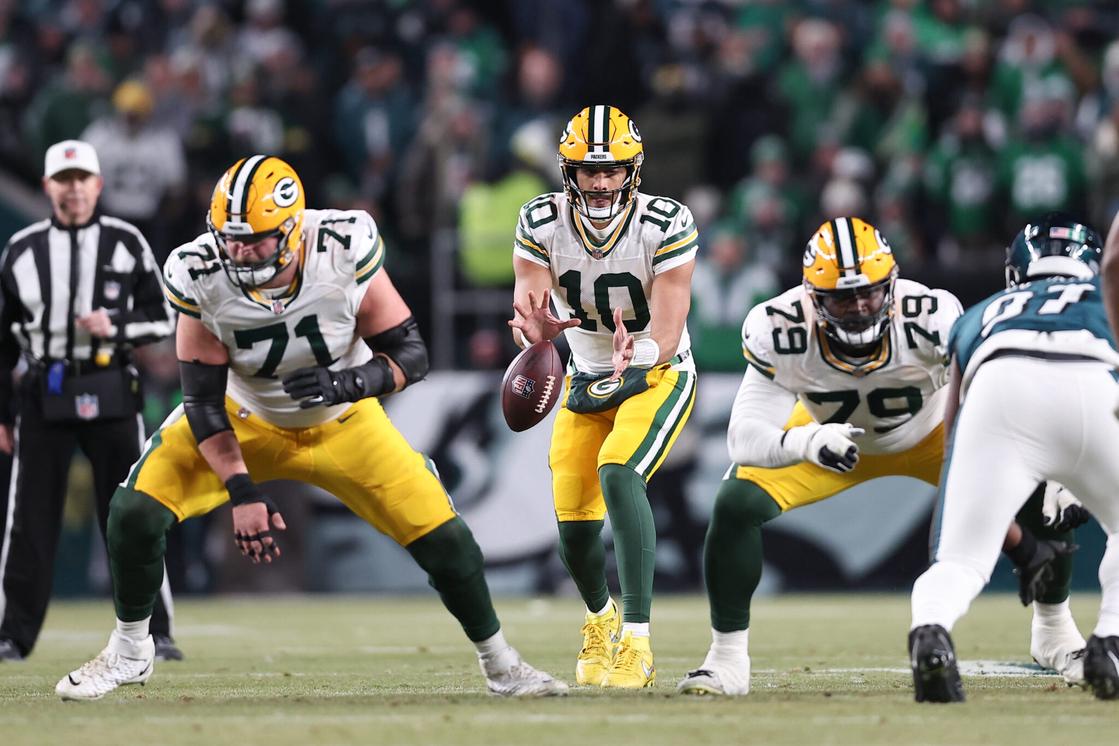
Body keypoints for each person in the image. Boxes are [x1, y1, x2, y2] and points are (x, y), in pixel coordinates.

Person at [55, 155, 566, 701]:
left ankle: (502, 665)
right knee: (133, 512)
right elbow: (201, 399)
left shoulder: (341, 249)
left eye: (255, 239)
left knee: (450, 541)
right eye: (230, 238)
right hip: (242, 415)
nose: (239, 251)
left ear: (294, 229)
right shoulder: (198, 273)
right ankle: (131, 650)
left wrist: (348, 383)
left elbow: (410, 354)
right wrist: (241, 492)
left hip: (343, 421)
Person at [674, 217, 1087, 696]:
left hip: (934, 433)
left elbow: (1003, 393)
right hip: (827, 438)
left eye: (869, 293)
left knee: (1046, 484)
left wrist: (1049, 462)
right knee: (735, 504)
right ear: (810, 296)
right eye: (842, 298)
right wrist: (807, 443)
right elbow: (744, 435)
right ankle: (726, 661)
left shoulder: (932, 316)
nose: (858, 308)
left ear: (891, 283)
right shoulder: (779, 327)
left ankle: (1055, 632)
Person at [509, 105, 698, 689]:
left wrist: (635, 355)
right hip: (585, 377)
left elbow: (665, 333)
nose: (600, 183)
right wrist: (533, 335)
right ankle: (600, 618)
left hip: (656, 373)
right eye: (588, 172)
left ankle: (637, 642)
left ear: (632, 170)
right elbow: (530, 312)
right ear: (567, 171)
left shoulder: (665, 223)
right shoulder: (541, 222)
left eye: (612, 170)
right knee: (572, 524)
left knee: (620, 472)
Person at [909, 214, 1119, 702]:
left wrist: (1011, 533)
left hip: (999, 388)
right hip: (1090, 379)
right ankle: (1109, 639)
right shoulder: (1104, 299)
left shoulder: (979, 310)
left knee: (959, 561)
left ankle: (931, 633)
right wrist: (1075, 478)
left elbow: (952, 430)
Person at [0, 140, 180, 663]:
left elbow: (164, 315)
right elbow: (3, 341)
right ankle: (13, 634)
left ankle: (156, 630)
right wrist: (2, 413)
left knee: (133, 512)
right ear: (48, 186)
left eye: (83, 179)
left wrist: (115, 325)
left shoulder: (126, 241)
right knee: (28, 519)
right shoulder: (22, 249)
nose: (74, 188)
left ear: (98, 185)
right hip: (43, 390)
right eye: (64, 179)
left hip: (110, 385)